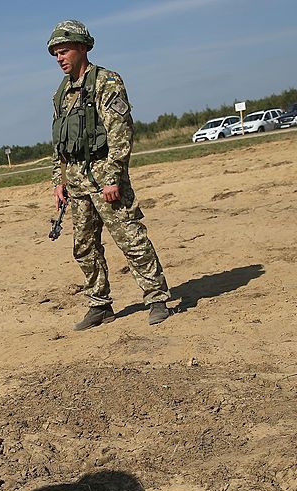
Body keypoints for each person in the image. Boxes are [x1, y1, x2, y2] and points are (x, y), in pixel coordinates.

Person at [48, 20, 172, 330]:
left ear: (82, 48)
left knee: (129, 236)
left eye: (64, 51)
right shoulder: (62, 92)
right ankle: (99, 304)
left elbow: (121, 131)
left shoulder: (107, 82)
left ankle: (156, 298)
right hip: (75, 179)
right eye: (55, 54)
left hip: (104, 173)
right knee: (84, 245)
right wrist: (58, 179)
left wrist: (113, 177)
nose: (60, 58)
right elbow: (58, 139)